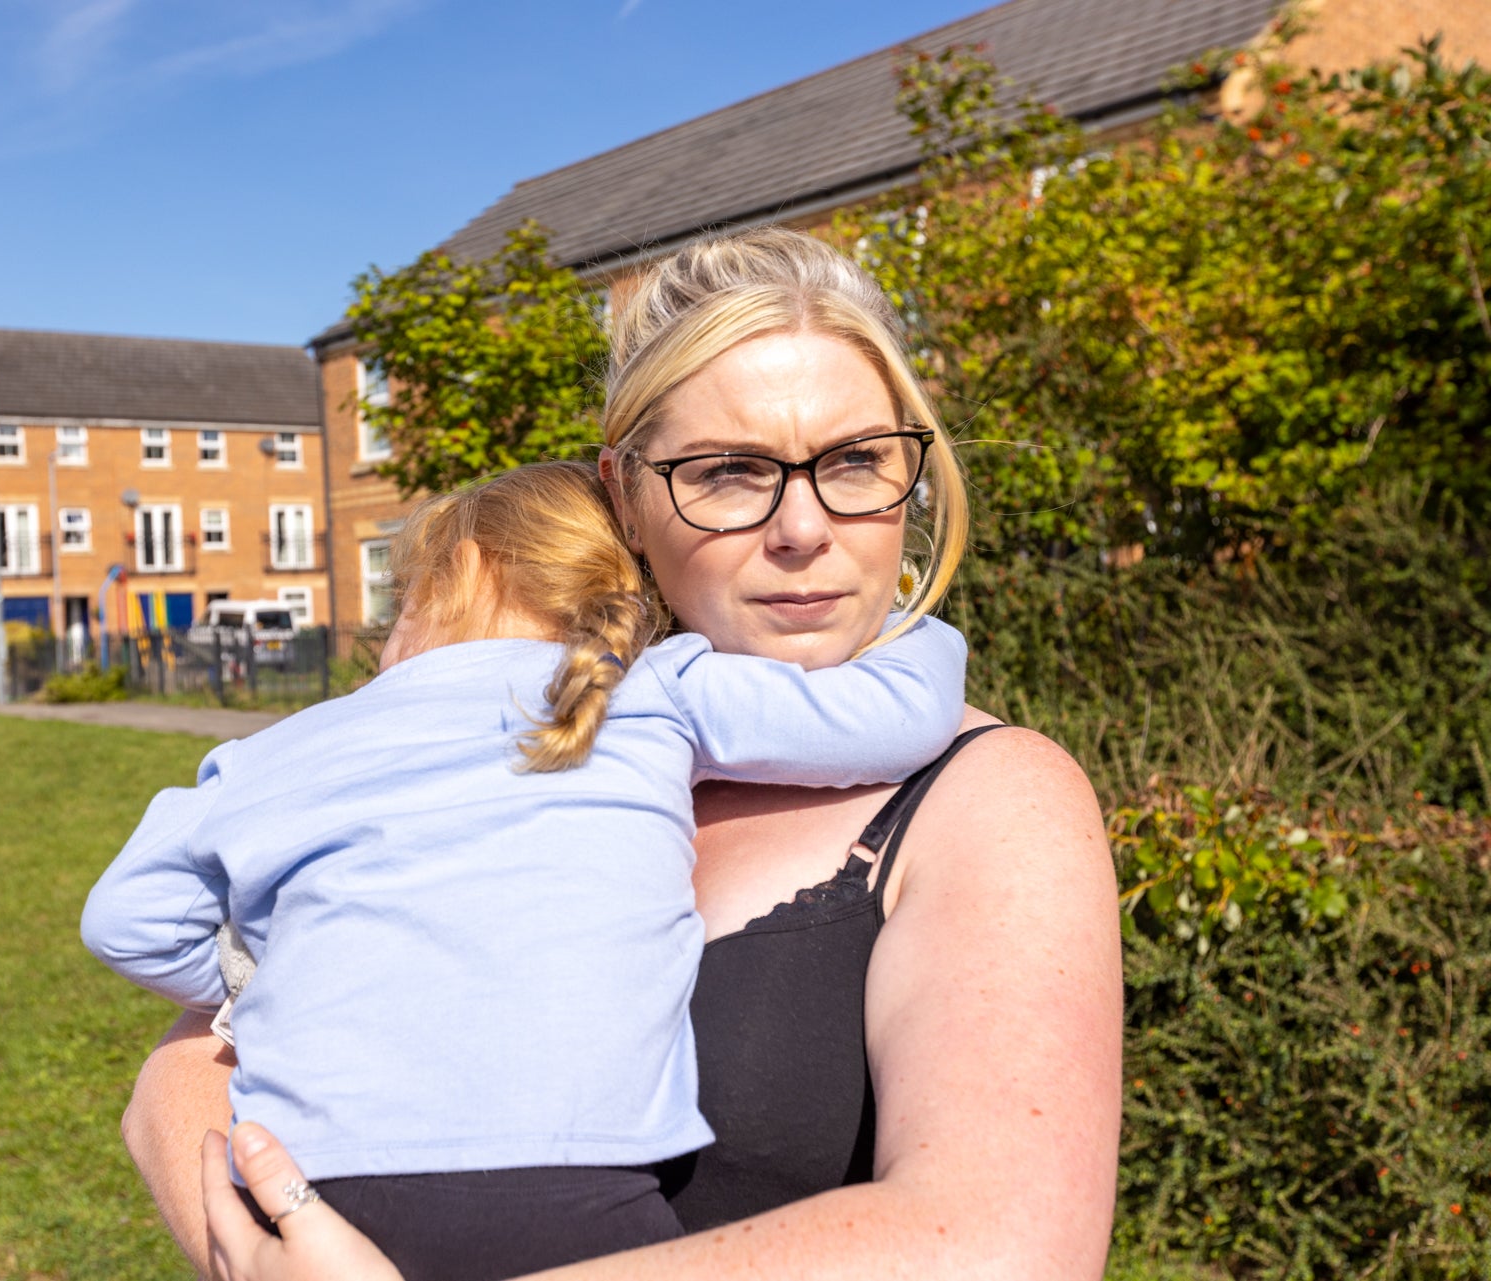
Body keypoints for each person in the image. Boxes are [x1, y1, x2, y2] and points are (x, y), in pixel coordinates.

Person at [122, 226, 1123, 1280]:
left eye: (856, 462)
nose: (803, 526)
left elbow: (1004, 1247)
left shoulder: (991, 796)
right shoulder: (526, 731)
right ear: (628, 494)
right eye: (731, 473)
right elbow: (185, 1072)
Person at [82, 458, 969, 1281]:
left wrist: (276, 975)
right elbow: (902, 713)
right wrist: (897, 609)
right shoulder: (652, 691)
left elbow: (125, 920)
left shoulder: (274, 749)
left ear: (453, 575)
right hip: (578, 1186)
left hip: (316, 1185)